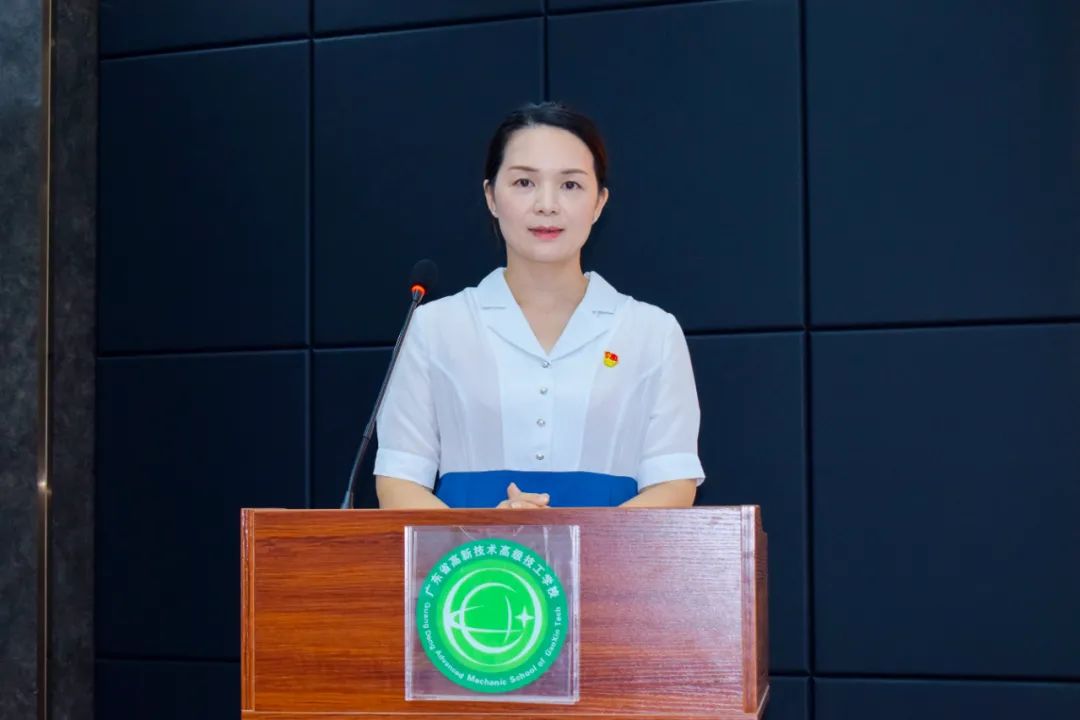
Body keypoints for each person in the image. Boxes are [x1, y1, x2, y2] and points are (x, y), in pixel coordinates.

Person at [374, 102, 704, 509]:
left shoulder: (652, 332)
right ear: (491, 197)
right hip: (469, 554)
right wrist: (482, 540)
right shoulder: (435, 326)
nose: (547, 204)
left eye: (570, 185)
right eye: (524, 182)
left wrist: (579, 539)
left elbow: (674, 485)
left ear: (599, 202)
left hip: (616, 552)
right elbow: (399, 481)